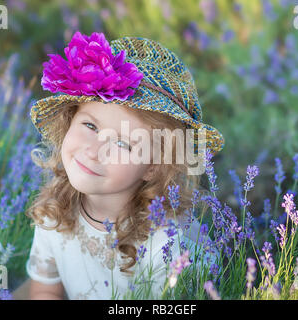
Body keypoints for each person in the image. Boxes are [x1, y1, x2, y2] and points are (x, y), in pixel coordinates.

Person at [16, 31, 225, 300]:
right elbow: (46, 289)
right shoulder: (54, 211)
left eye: (124, 144)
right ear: (70, 120)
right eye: (90, 125)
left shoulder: (168, 245)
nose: (93, 151)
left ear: (154, 166)